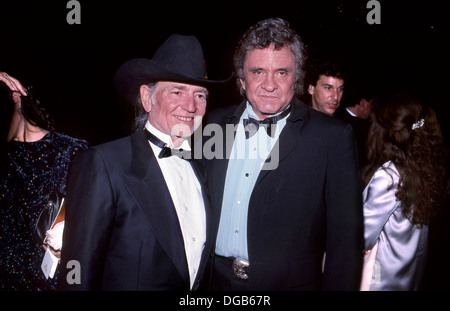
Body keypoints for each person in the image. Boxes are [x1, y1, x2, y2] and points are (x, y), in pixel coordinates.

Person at [202, 18, 364, 290]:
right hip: (214, 284)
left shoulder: (331, 138)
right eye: (257, 71)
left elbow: (345, 242)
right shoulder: (214, 125)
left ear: (296, 78)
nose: (269, 84)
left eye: (281, 72)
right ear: (242, 78)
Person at [58, 34, 227, 290]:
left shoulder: (203, 168)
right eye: (177, 91)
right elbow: (77, 276)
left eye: (200, 95)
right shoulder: (103, 164)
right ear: (147, 98)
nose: (190, 106)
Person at [0, 72, 88, 290]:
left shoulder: (72, 151)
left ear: (16, 99)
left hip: (55, 283)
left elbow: (97, 228)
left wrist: (71, 240)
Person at [360, 92, 449, 290]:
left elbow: (362, 235)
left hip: (381, 277)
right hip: (409, 270)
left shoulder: (389, 176)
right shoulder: (422, 164)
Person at [335, 76, 375, 168]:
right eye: (372, 104)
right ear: (363, 103)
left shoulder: (366, 125)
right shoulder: (337, 124)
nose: (373, 109)